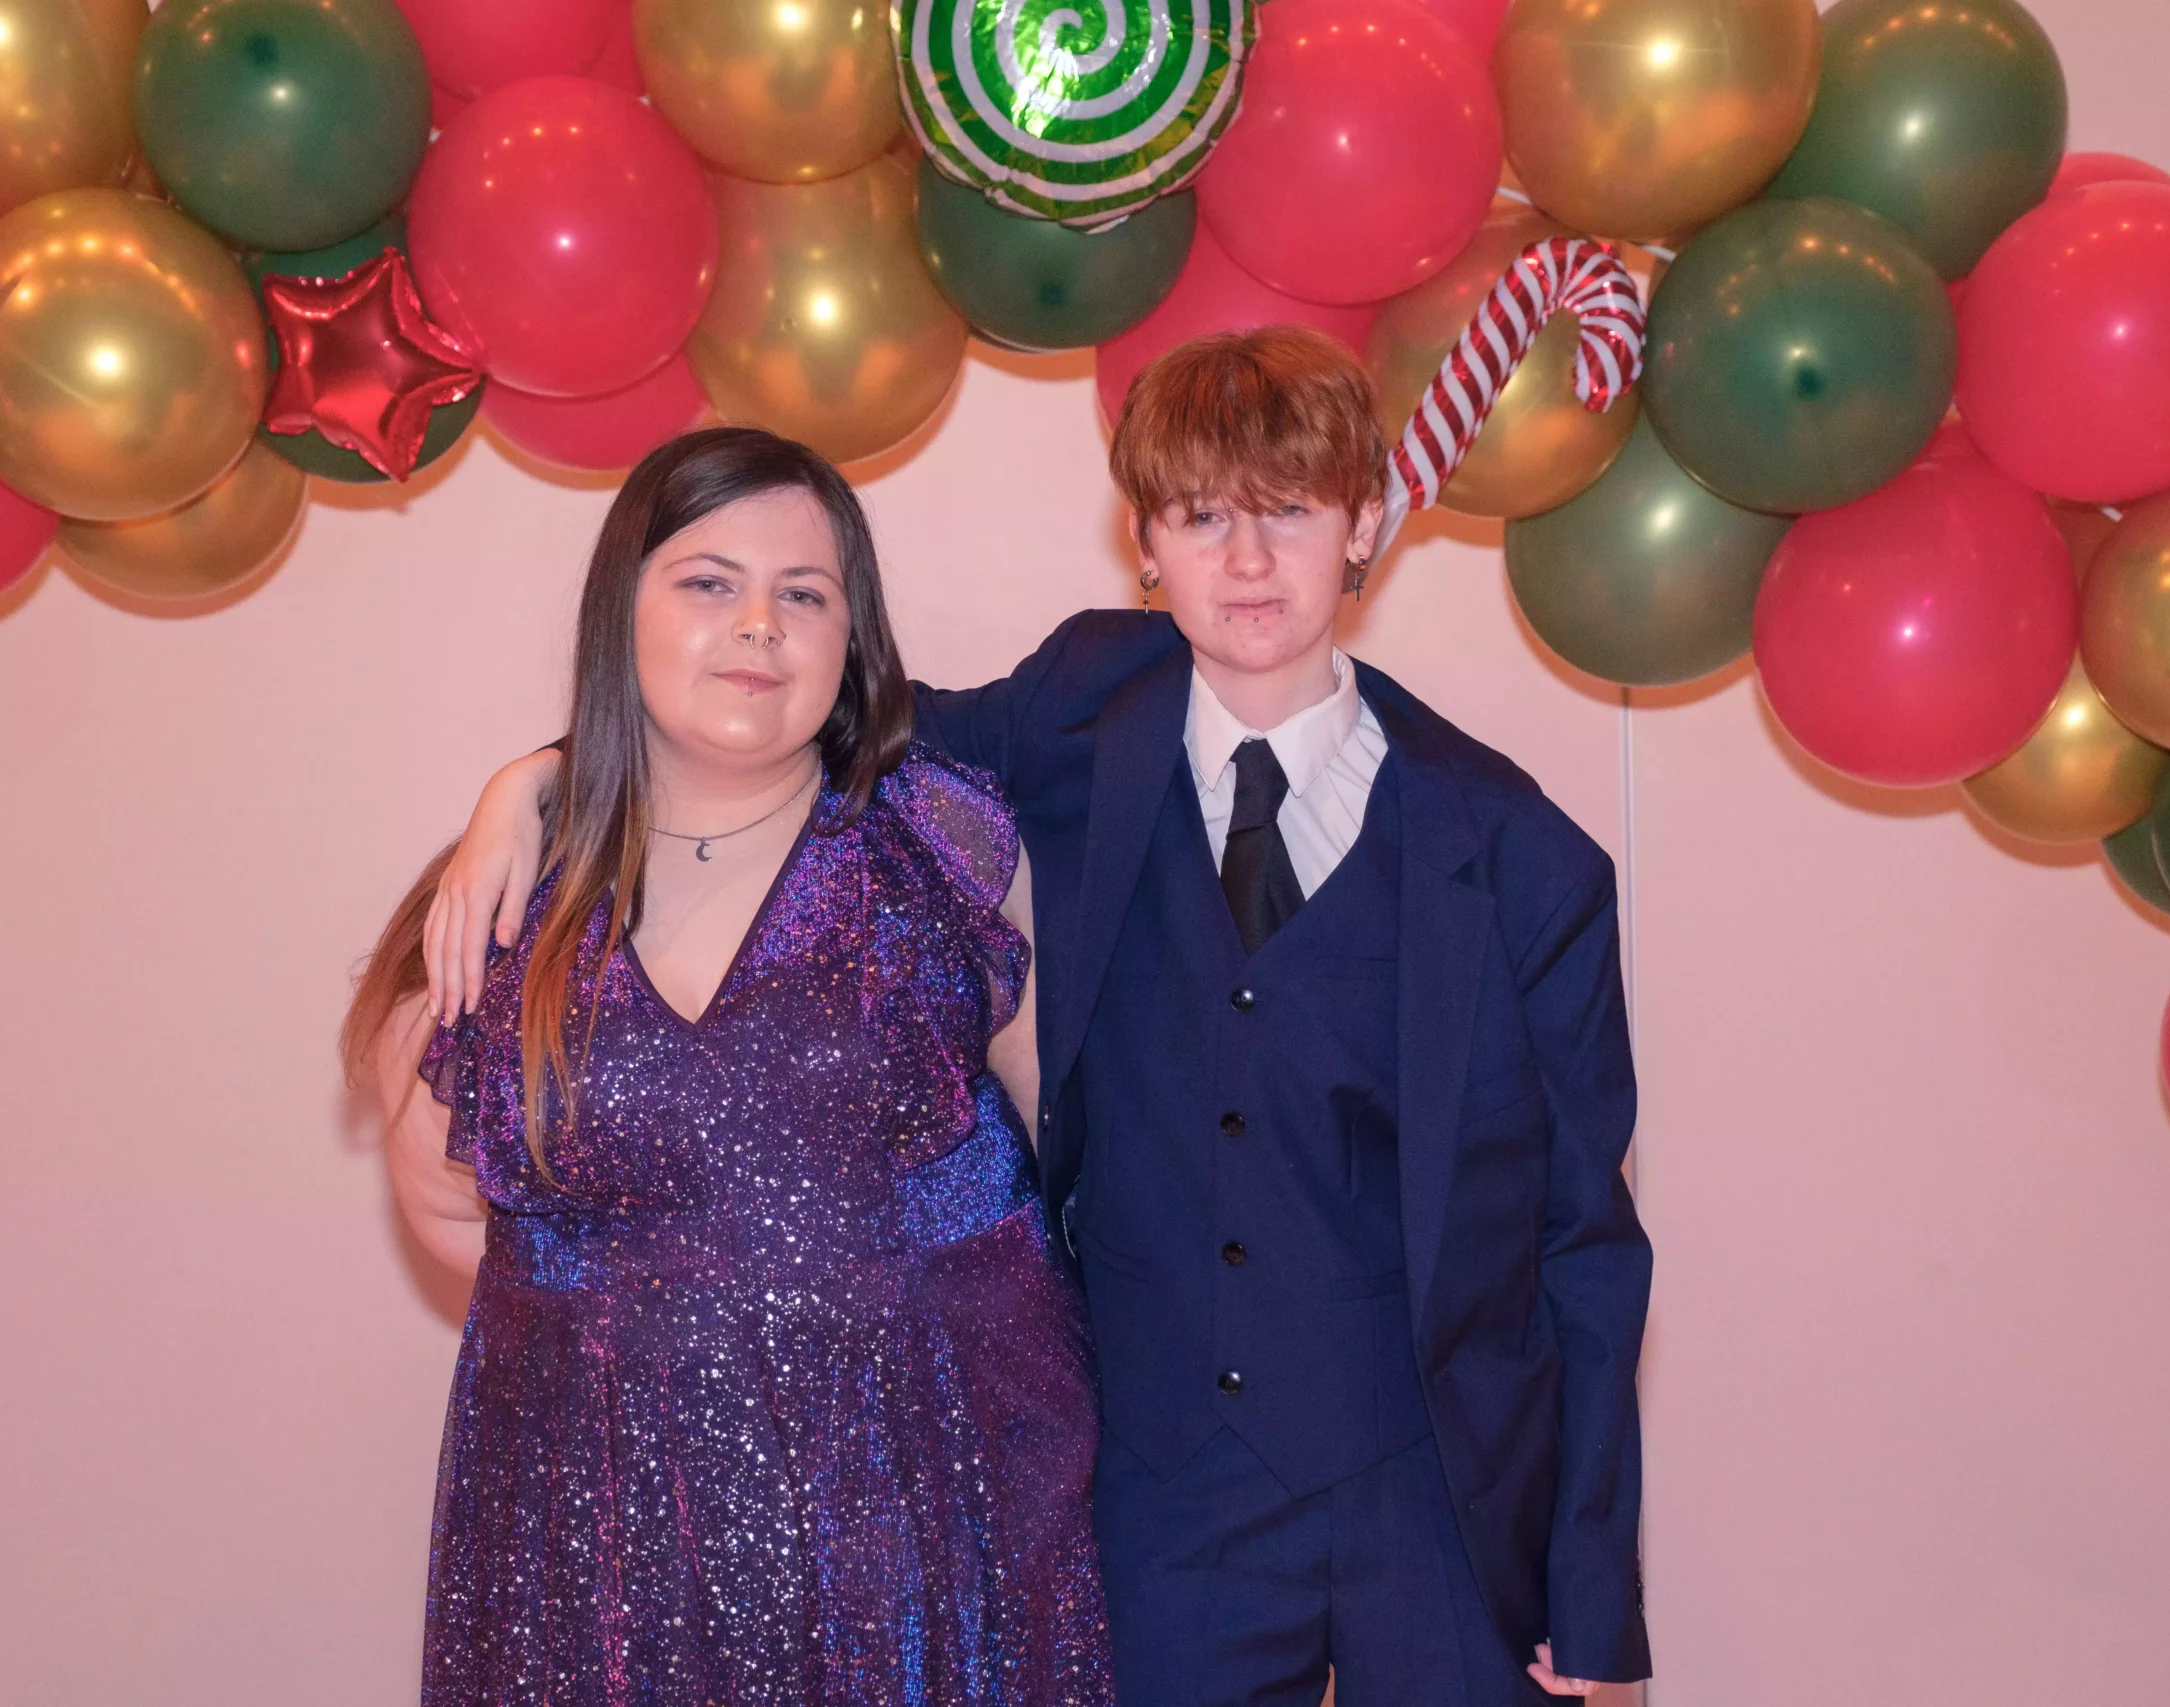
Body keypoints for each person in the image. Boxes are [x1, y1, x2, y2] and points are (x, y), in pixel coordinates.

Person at [427, 329, 1651, 1704]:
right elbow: (804, 712)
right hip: (1163, 1496)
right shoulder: (1076, 713)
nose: (1248, 563)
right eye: (1204, 517)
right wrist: (532, 784)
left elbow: (1584, 1240)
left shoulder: (1519, 853)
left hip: (1434, 1490)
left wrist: (1592, 1590)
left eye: (1292, 513)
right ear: (1146, 541)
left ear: (1366, 521)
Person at [343, 427, 1112, 1706]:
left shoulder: (949, 848)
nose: (758, 624)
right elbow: (447, 1212)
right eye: (709, 582)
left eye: (803, 595)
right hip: (604, 1558)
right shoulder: (501, 907)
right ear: (622, 610)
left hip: (932, 1534)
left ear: (850, 639)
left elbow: (1072, 1163)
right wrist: (685, 1339)